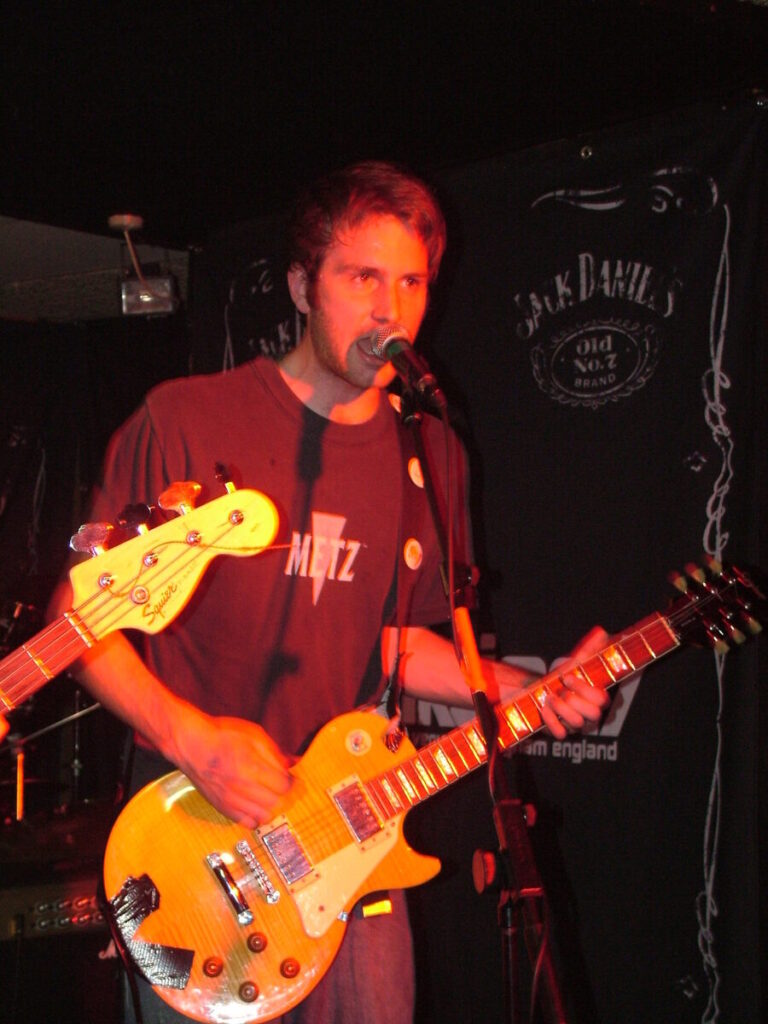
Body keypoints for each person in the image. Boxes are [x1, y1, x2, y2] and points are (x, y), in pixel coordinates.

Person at [50, 160, 608, 1023]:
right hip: (198, 848)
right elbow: (76, 621)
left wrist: (522, 691)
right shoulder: (188, 419)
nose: (391, 310)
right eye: (361, 278)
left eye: (411, 282)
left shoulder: (429, 452)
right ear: (302, 286)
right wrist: (192, 740)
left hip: (351, 841)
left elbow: (393, 640)